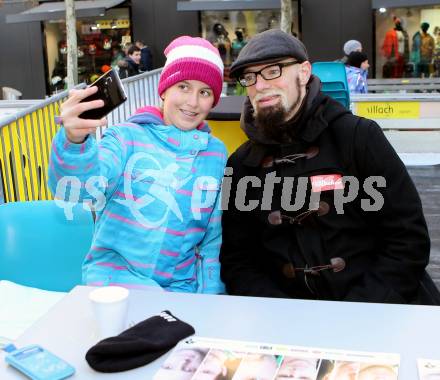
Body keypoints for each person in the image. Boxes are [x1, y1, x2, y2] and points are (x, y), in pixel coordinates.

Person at [219, 28, 440, 305]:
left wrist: (357, 312)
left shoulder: (358, 137)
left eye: (273, 71)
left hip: (384, 309)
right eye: (249, 77)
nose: (260, 85)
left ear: (303, 72)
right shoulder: (241, 165)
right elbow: (238, 260)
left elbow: (407, 240)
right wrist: (281, 314)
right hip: (288, 324)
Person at [48, 36, 227, 293]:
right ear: (164, 89)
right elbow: (76, 189)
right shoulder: (125, 137)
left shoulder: (215, 153)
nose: (193, 102)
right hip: (117, 287)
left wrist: (212, 297)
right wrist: (74, 142)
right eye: (183, 87)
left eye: (205, 92)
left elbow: (212, 237)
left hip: (182, 294)